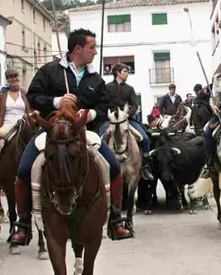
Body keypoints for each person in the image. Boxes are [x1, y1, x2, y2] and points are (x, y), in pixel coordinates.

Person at [10, 28, 131, 245]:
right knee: (24, 169)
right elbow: (33, 96)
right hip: (52, 131)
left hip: (85, 132)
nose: (95, 51)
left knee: (114, 167)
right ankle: (23, 224)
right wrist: (56, 101)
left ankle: (115, 220)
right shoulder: (50, 70)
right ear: (77, 49)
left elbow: (103, 105)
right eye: (92, 47)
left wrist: (91, 114)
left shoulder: (95, 78)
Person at [100, 63, 154, 181]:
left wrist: (127, 114)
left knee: (145, 138)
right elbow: (102, 104)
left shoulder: (130, 89)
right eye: (125, 71)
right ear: (117, 73)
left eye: (128, 72)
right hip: (110, 121)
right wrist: (108, 115)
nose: (127, 74)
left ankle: (145, 166)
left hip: (127, 120)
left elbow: (134, 105)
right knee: (99, 139)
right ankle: (100, 166)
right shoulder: (107, 87)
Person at [0, 69, 31, 187]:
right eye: (11, 77)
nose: (14, 79)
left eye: (15, 76)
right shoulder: (2, 95)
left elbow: (30, 110)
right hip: (6, 125)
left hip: (24, 124)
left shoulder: (25, 93)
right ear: (7, 80)